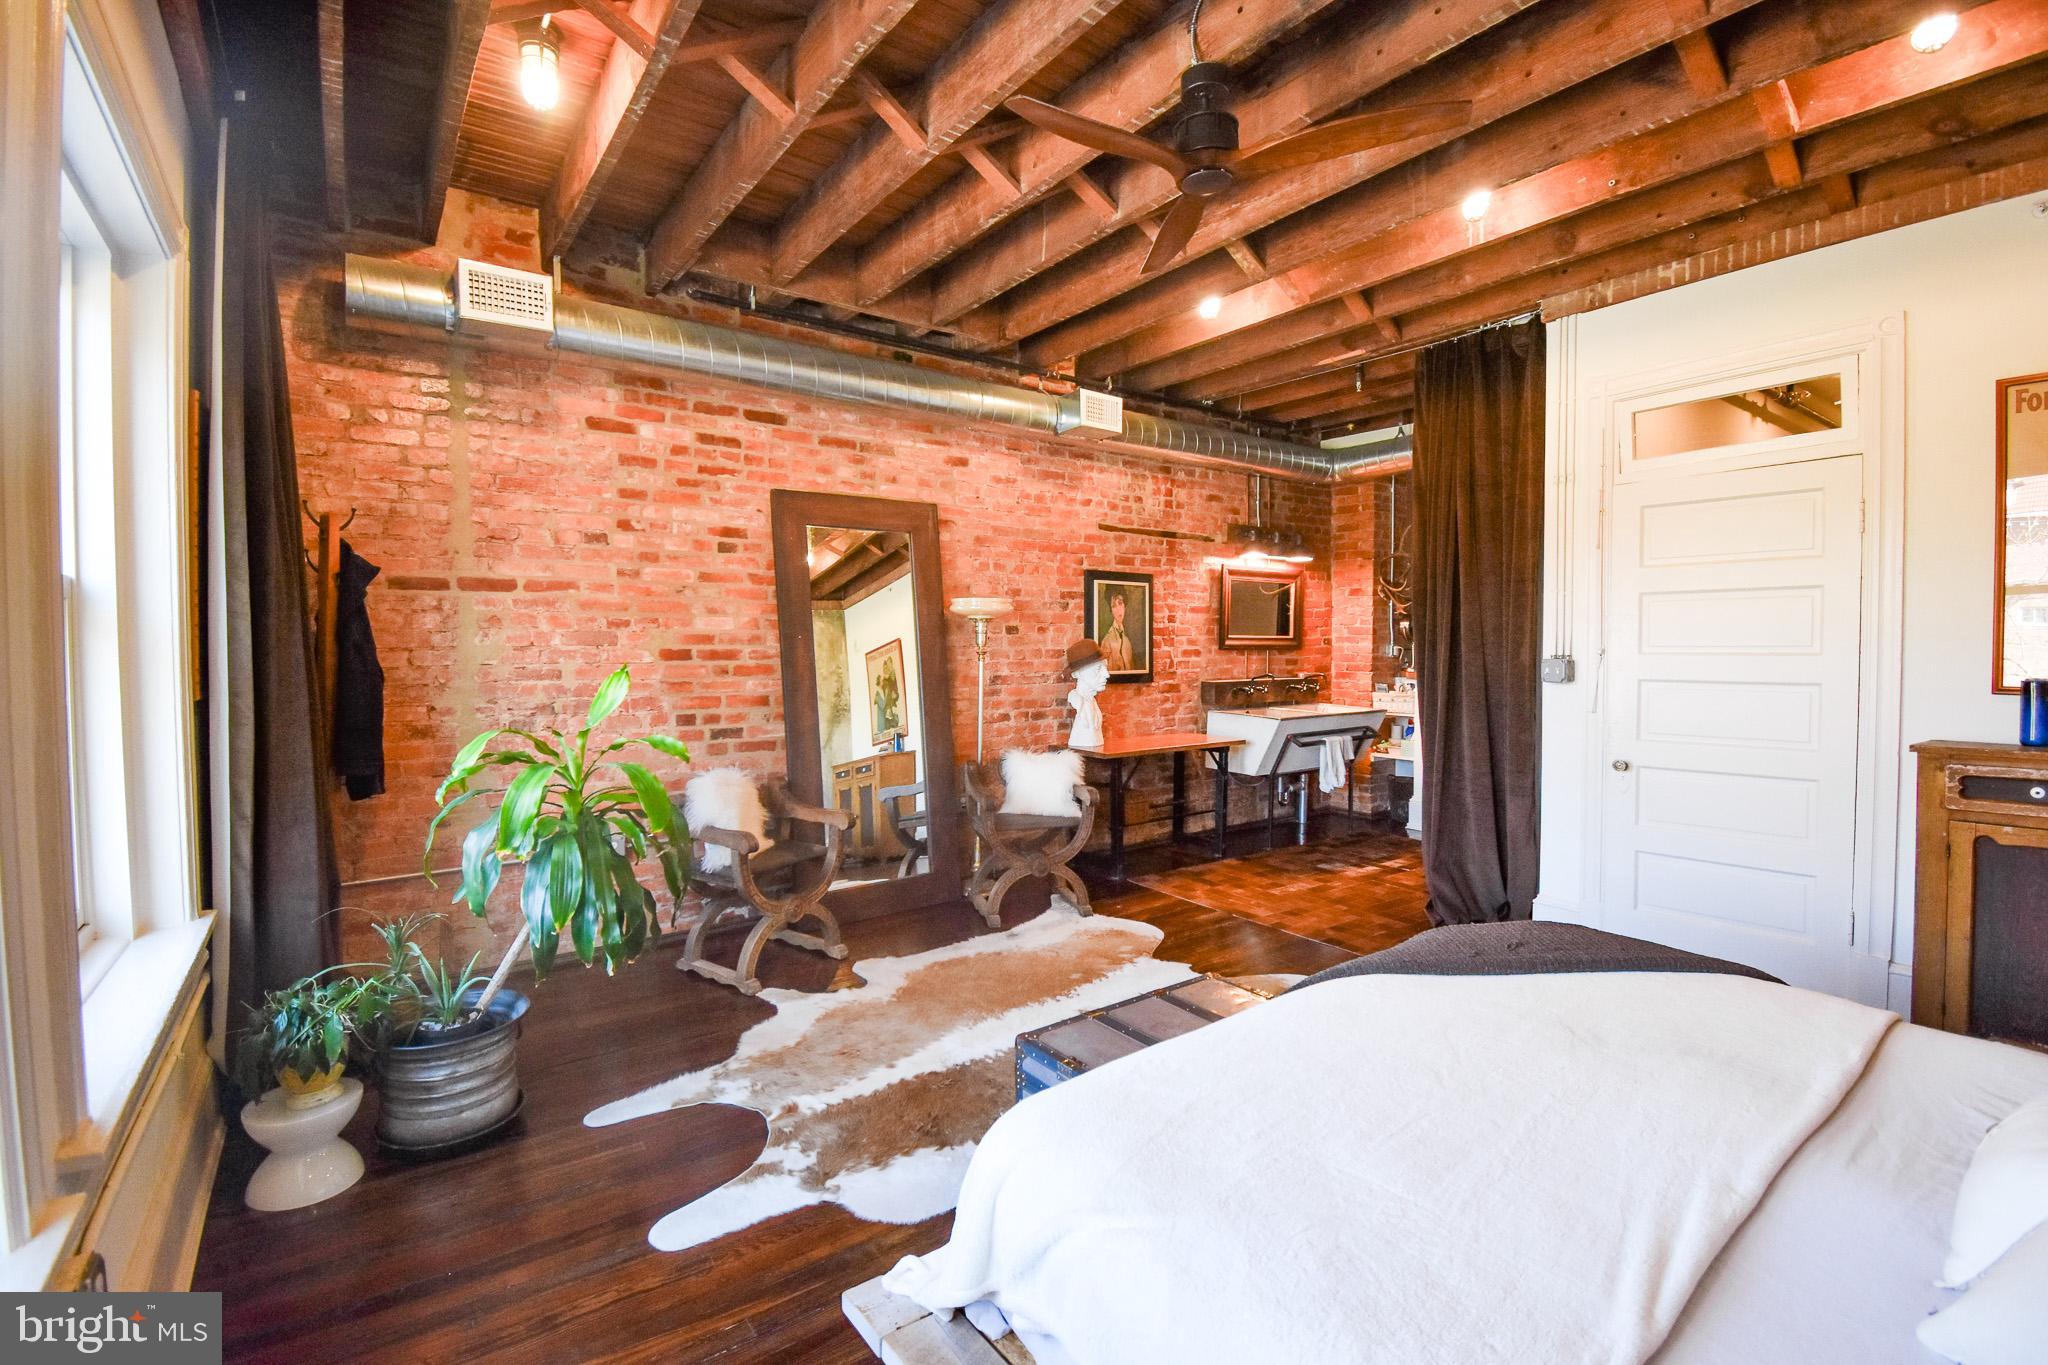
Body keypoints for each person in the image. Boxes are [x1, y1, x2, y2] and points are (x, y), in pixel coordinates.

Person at [1097, 588, 1137, 672]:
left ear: (1124, 605)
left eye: (1120, 603)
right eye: (1114, 606)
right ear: (1111, 611)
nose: (1118, 609)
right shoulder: (1107, 641)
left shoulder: (1127, 641)